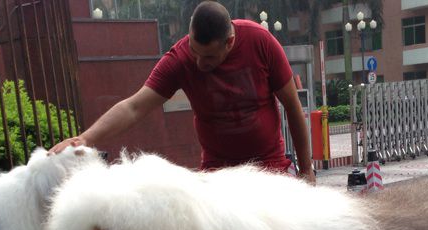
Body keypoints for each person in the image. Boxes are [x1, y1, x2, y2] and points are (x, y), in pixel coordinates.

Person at [51, 1, 315, 183]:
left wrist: (306, 171)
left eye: (208, 57)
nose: (199, 63)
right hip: (217, 174)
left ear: (230, 42)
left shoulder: (261, 42)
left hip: (269, 168)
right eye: (194, 50)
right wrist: (85, 138)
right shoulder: (179, 59)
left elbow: (293, 107)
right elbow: (134, 107)